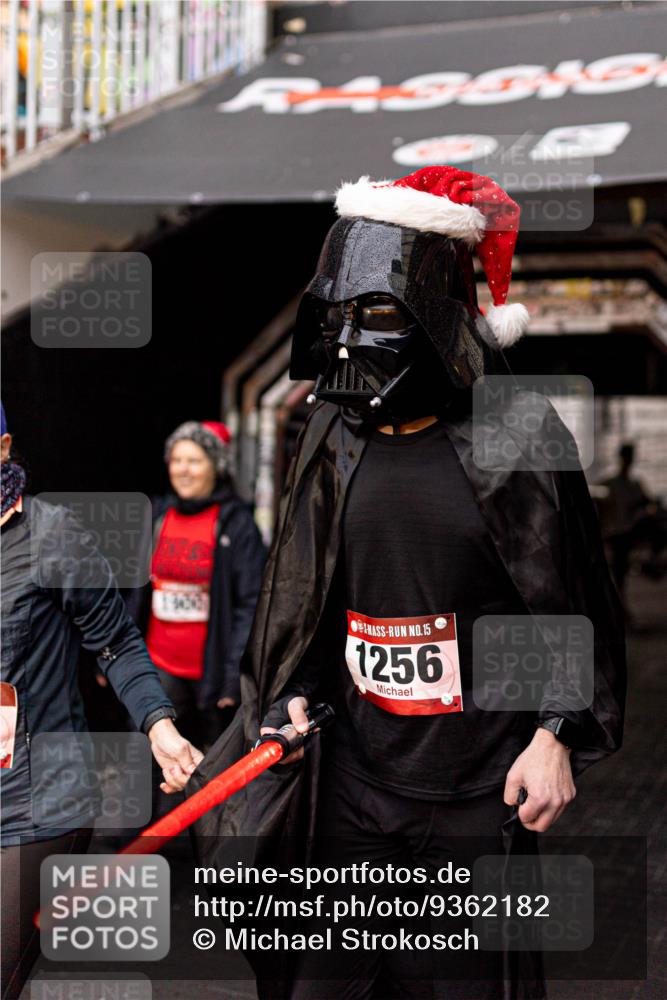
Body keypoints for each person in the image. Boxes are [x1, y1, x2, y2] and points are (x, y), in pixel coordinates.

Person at [190, 167, 626, 999]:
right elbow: (307, 584)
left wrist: (555, 734)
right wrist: (294, 687)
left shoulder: (516, 434)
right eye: (338, 316)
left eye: (378, 312)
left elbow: (568, 599)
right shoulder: (328, 433)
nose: (352, 340)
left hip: (474, 788)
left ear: (437, 314)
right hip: (354, 777)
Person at [0, 402, 203, 1000]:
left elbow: (115, 643)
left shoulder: (50, 535)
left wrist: (158, 726)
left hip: (33, 805)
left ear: (4, 448)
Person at [126, 420, 266, 751]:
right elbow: (133, 592)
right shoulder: (158, 515)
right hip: (158, 668)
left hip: (211, 677)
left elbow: (251, 605)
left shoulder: (237, 524)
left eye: (194, 461)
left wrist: (235, 676)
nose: (183, 470)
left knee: (209, 768)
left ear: (215, 466)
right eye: (176, 460)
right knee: (151, 761)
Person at [601, 442, 667, 598]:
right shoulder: (612, 484)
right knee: (619, 569)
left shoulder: (632, 485)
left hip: (626, 530)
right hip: (617, 532)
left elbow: (647, 502)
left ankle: (649, 563)